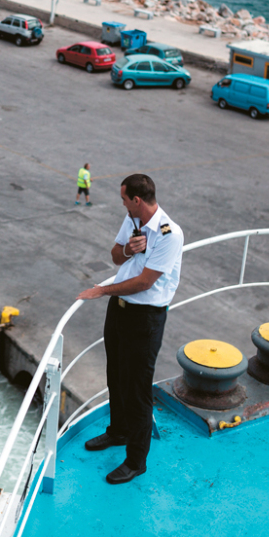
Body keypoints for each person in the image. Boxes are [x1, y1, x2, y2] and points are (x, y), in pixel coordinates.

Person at [76, 174, 183, 485]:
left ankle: (137, 461)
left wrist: (102, 291)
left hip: (145, 318)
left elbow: (145, 282)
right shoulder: (133, 221)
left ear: (138, 199)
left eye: (125, 199)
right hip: (120, 311)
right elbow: (114, 255)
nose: (122, 204)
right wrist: (128, 251)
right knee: (116, 376)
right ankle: (118, 432)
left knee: (137, 389)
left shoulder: (169, 233)